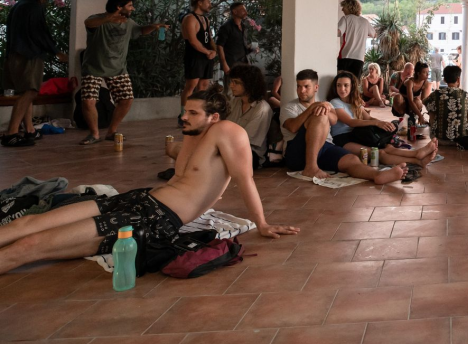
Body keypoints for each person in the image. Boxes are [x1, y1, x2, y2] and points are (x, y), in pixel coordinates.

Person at [0, 88, 299, 275]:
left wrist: (261, 223)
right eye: (184, 110)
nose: (184, 117)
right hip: (137, 198)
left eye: (193, 113)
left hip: (152, 219)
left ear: (214, 116)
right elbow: (187, 170)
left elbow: (245, 178)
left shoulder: (228, 131)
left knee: (31, 245)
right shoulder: (192, 133)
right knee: (24, 224)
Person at [281, 69, 406, 182]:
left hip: (324, 147)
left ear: (316, 87)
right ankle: (311, 167)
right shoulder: (290, 107)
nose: (301, 90)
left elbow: (334, 120)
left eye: (306, 86)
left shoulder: (325, 104)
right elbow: (292, 127)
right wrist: (312, 109)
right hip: (298, 152)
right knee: (319, 116)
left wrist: (323, 108)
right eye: (299, 87)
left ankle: (377, 175)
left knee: (352, 160)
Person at [79, 0, 168, 145]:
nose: (132, 8)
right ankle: (94, 134)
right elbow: (88, 22)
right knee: (88, 101)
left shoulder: (128, 22)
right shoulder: (99, 20)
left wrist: (153, 27)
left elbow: (139, 31)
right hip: (94, 67)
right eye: (130, 5)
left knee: (126, 100)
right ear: (119, 7)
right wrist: (109, 18)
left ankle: (111, 132)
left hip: (118, 68)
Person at [2, 0, 68, 147]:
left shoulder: (19, 5)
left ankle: (30, 129)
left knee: (26, 91)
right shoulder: (34, 7)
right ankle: (11, 133)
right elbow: (40, 33)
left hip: (14, 54)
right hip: (28, 55)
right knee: (30, 92)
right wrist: (56, 52)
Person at [328, 71, 437, 165]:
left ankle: (417, 153)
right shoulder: (335, 102)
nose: (342, 89)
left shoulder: (355, 102)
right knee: (378, 153)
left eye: (346, 85)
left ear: (352, 87)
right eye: (339, 85)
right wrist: (376, 124)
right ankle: (418, 161)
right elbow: (351, 122)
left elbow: (368, 118)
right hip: (343, 139)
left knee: (388, 147)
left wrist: (382, 123)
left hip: (358, 135)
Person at [180, 0, 217, 122]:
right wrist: (208, 52)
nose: (209, 5)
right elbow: (193, 41)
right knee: (191, 85)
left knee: (204, 85)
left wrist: (214, 50)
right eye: (208, 2)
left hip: (206, 56)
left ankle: (199, 112)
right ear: (199, 2)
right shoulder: (190, 18)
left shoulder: (205, 19)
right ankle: (183, 114)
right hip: (195, 56)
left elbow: (209, 38)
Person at [424, 65, 468, 142]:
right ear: (458, 79)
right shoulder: (466, 95)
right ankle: (467, 131)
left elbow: (424, 101)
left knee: (431, 109)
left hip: (439, 139)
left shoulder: (436, 94)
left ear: (444, 80)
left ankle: (435, 132)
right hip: (462, 139)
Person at [227, 64, 273, 160]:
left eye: (236, 82)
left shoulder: (262, 108)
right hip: (229, 147)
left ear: (249, 84)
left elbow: (246, 140)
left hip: (249, 153)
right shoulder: (234, 102)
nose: (231, 85)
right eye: (231, 81)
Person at [337, 0, 373, 78]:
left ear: (350, 7)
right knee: (355, 83)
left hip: (346, 56)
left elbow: (337, 32)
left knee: (341, 80)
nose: (342, 9)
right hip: (359, 58)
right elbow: (374, 34)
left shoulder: (346, 18)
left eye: (344, 7)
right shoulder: (365, 22)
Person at [216, 1, 252, 76]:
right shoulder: (226, 27)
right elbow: (219, 46)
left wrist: (251, 48)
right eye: (243, 10)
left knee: (243, 86)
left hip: (243, 62)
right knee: (231, 86)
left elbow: (240, 44)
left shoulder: (243, 26)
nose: (246, 12)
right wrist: (224, 64)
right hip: (231, 63)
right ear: (235, 12)